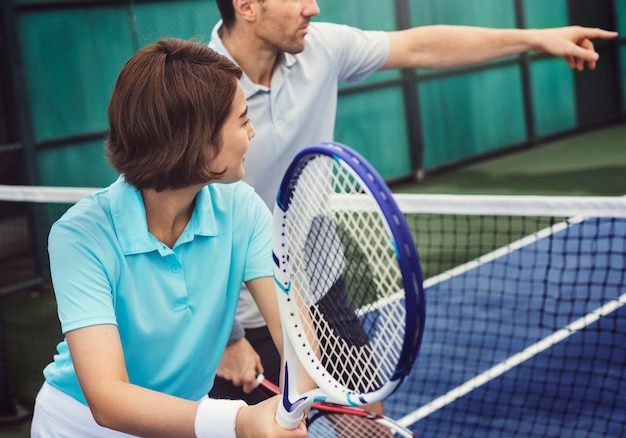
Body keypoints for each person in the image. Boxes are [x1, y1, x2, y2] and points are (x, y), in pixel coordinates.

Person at [207, 0, 620, 405]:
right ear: (247, 6)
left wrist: (535, 38)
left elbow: (422, 46)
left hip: (321, 286)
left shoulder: (322, 47)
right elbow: (177, 213)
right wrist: (227, 338)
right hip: (239, 314)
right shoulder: (199, 92)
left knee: (367, 422)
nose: (312, 8)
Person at [30, 38, 307, 437]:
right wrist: (241, 422)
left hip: (184, 420)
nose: (252, 131)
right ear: (200, 146)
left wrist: (289, 411)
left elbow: (298, 341)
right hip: (78, 427)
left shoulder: (242, 208)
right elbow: (108, 399)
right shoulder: (79, 236)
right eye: (243, 120)